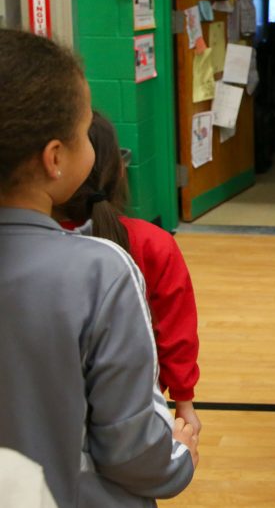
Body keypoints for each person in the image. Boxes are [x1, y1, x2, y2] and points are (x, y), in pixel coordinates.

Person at [0, 29, 197, 506]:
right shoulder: (101, 271)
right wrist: (179, 455)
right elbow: (134, 453)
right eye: (85, 127)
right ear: (55, 159)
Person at [54, 112, 202, 434]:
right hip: (134, 413)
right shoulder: (154, 243)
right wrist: (184, 401)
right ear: (120, 170)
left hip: (48, 412)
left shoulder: (30, 244)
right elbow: (176, 332)